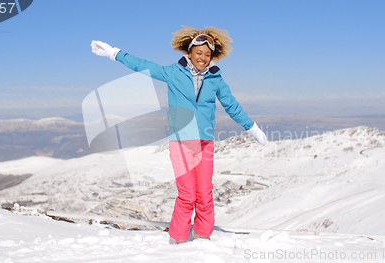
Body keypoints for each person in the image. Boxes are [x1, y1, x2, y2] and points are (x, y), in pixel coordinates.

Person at [91, 26, 267, 244]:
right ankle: (178, 240)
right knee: (187, 196)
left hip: (205, 144)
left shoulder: (216, 79)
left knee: (204, 194)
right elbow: (144, 66)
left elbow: (232, 106)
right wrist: (114, 53)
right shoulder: (173, 73)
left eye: (207, 54)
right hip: (181, 144)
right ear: (189, 52)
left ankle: (202, 236)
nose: (203, 57)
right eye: (199, 52)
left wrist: (253, 128)